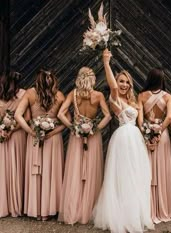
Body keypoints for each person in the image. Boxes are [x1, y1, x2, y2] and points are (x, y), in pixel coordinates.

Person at [93, 49, 154, 233]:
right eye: (121, 81)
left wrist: (150, 135)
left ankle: (134, 213)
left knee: (137, 176)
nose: (124, 85)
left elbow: (143, 120)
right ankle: (121, 215)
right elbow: (112, 86)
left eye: (127, 82)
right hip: (122, 139)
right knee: (122, 176)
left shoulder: (134, 101)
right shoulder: (114, 98)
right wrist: (106, 62)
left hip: (136, 139)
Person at [58, 67, 111, 224]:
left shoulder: (73, 94)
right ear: (93, 79)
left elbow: (61, 113)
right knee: (91, 170)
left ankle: (73, 209)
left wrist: (72, 127)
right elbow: (107, 115)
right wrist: (95, 128)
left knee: (75, 169)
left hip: (76, 136)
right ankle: (89, 210)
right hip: (92, 137)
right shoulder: (98, 96)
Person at [15, 69, 65, 220]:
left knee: (36, 173)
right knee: (51, 171)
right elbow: (66, 122)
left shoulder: (30, 93)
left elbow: (18, 115)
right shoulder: (60, 95)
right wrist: (53, 132)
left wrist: (30, 131)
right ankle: (48, 211)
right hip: (53, 138)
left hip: (35, 138)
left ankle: (36, 211)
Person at [138, 69, 171, 223]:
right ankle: (163, 207)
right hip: (163, 136)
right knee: (162, 170)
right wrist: (159, 131)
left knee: (146, 169)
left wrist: (148, 133)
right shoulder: (168, 97)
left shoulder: (141, 96)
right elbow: (169, 117)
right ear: (162, 80)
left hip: (146, 135)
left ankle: (147, 208)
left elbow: (140, 120)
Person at [0, 71, 27, 217]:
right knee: (17, 167)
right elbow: (26, 118)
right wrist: (11, 130)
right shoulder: (23, 94)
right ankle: (17, 204)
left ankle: (3, 204)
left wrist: (2, 130)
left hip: (2, 136)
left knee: (3, 169)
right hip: (18, 135)